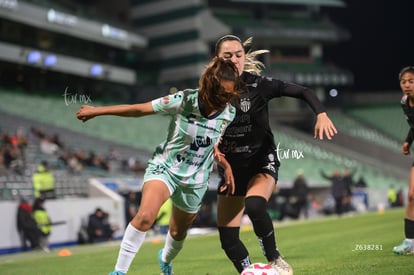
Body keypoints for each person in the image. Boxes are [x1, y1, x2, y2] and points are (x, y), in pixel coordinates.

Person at [76, 57, 242, 275]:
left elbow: (213, 145)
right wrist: (97, 111)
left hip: (196, 179)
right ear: (210, 84)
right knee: (145, 216)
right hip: (166, 168)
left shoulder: (229, 114)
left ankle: (165, 258)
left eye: (229, 95)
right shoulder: (184, 100)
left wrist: (225, 164)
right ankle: (119, 272)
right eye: (222, 94)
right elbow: (138, 109)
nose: (224, 100)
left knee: (178, 231)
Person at [213, 35, 337, 274]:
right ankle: (250, 272)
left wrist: (320, 113)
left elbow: (304, 92)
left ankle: (274, 258)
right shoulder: (209, 93)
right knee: (228, 240)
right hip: (231, 170)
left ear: (244, 57)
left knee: (255, 206)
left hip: (261, 161)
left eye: (239, 55)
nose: (234, 60)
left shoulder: (260, 85)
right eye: (228, 56)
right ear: (217, 59)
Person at [393, 66, 414, 255]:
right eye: (403, 81)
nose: (407, 85)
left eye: (411, 81)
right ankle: (410, 243)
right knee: (411, 196)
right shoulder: (404, 102)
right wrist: (408, 141)